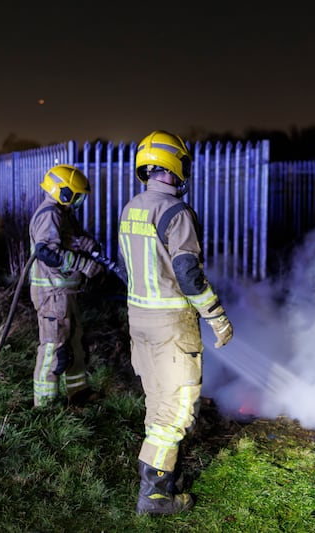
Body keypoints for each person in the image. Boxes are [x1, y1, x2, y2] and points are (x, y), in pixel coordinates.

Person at [119, 130, 233, 515]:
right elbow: (189, 275)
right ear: (175, 165)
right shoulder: (176, 213)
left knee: (158, 404)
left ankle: (161, 476)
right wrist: (216, 316)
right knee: (177, 411)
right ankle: (154, 497)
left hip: (139, 323)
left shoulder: (132, 207)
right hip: (171, 326)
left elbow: (127, 268)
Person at [28, 164, 103, 408]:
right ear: (64, 192)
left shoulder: (62, 214)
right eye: (77, 195)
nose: (79, 201)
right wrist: (83, 263)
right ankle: (45, 405)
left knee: (75, 345)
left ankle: (78, 394)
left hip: (65, 293)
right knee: (54, 348)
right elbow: (46, 251)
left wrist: (84, 243)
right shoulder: (49, 213)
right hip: (52, 294)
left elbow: (66, 241)